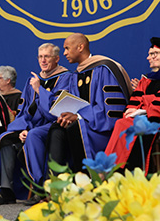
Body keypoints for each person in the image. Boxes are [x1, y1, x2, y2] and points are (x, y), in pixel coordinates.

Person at [0, 43, 74, 206]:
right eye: (40, 57)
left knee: (34, 136)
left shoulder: (66, 78)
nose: (43, 60)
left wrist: (39, 90)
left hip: (54, 124)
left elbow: (55, 111)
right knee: (5, 138)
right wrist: (23, 128)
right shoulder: (33, 80)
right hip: (31, 125)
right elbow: (24, 112)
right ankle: (6, 191)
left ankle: (41, 188)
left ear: (56, 59)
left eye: (47, 57)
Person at [47, 33, 132, 171]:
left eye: (67, 48)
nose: (64, 53)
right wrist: (68, 115)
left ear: (80, 47)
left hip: (102, 129)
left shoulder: (105, 68)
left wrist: (79, 117)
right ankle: (56, 185)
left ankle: (85, 182)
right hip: (84, 123)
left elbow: (112, 109)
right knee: (57, 129)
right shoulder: (76, 74)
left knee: (75, 128)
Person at [104, 38, 160, 171]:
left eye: (154, 54)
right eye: (149, 54)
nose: (149, 57)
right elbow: (136, 100)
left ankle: (113, 170)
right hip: (143, 116)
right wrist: (133, 109)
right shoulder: (147, 79)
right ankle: (112, 168)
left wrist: (143, 108)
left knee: (123, 124)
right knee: (122, 122)